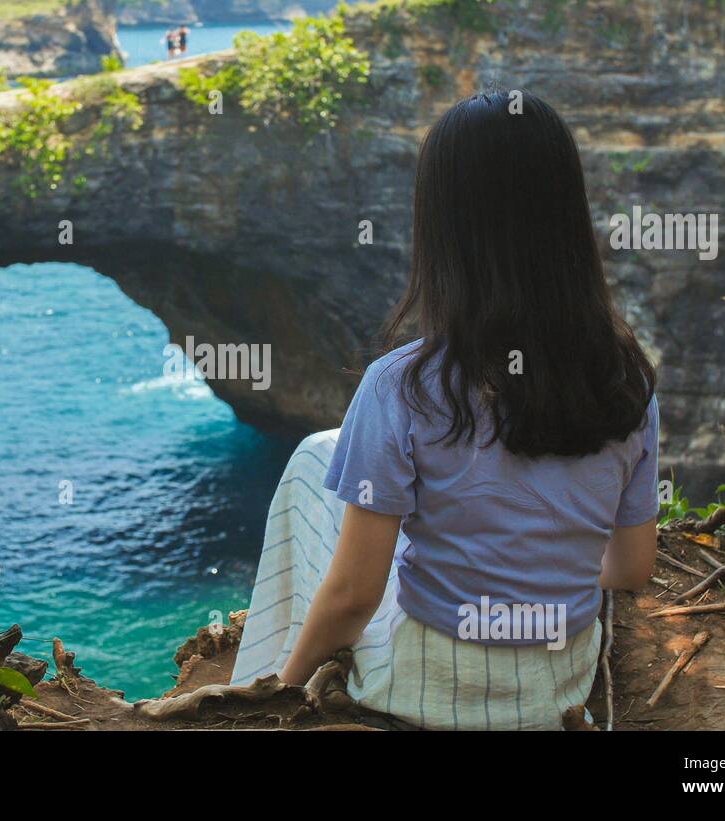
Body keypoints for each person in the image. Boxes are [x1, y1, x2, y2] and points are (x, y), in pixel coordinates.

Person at [230, 89, 660, 730]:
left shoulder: (399, 387)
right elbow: (630, 568)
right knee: (326, 448)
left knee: (307, 469)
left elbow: (353, 599)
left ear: (443, 226)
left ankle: (256, 678)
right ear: (568, 216)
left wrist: (284, 695)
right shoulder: (626, 380)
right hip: (557, 687)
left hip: (430, 689)